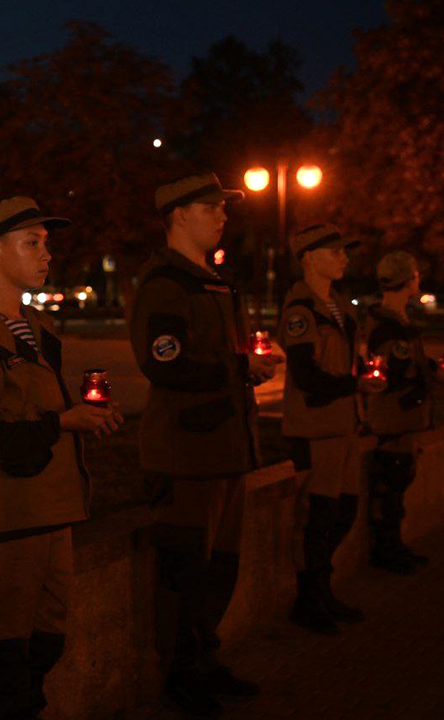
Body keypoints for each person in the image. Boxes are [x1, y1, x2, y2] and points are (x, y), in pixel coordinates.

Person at [0, 196, 122, 719]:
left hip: (50, 511)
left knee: (46, 645)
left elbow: (35, 407)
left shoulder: (36, 329)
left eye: (47, 244)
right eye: (32, 243)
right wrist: (63, 422)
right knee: (8, 660)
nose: (46, 255)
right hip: (6, 520)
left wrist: (82, 415)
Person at [129, 172, 280, 716]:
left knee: (219, 569)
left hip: (225, 452)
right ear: (178, 216)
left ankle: (203, 659)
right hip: (187, 456)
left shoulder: (211, 282)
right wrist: (240, 365)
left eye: (223, 208)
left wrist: (242, 368)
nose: (223, 217)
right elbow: (163, 362)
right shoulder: (166, 284)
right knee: (184, 571)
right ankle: (178, 675)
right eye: (210, 208)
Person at [279, 223, 384, 636]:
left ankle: (322, 589)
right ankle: (308, 600)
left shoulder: (340, 304)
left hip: (343, 426)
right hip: (315, 428)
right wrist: (355, 385)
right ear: (308, 259)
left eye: (344, 251)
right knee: (316, 519)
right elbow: (306, 375)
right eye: (334, 251)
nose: (344, 258)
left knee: (342, 514)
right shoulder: (301, 309)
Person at [363, 251, 432, 574]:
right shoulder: (388, 325)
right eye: (416, 275)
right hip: (392, 420)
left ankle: (394, 547)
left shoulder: (394, 321)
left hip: (401, 420)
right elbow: (392, 373)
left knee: (398, 486)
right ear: (409, 279)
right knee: (389, 489)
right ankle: (387, 551)